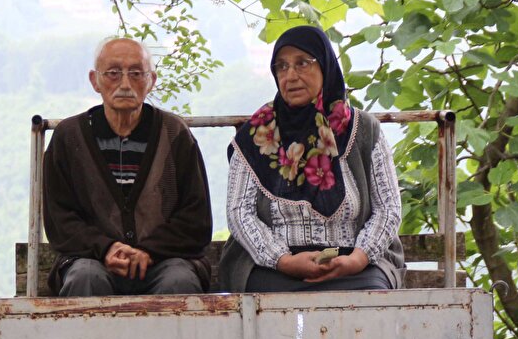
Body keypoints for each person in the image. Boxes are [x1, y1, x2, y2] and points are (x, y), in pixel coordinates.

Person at [219, 25, 406, 293]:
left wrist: (357, 258)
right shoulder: (256, 136)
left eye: (302, 63)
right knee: (267, 298)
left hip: (355, 265)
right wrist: (283, 261)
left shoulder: (363, 130)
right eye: (281, 67)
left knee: (369, 295)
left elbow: (388, 207)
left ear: (325, 67)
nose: (290, 76)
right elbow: (239, 213)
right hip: (275, 268)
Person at [43, 37, 213, 296]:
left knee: (179, 282)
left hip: (164, 260)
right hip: (92, 259)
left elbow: (196, 218)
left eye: (136, 73)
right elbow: (60, 219)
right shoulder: (69, 137)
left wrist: (149, 251)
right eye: (113, 73)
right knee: (84, 278)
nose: (124, 84)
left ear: (151, 81)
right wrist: (107, 248)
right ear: (94, 80)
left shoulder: (175, 134)